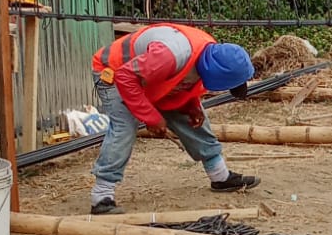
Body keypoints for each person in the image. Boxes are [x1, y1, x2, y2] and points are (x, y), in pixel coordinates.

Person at [88, 22, 260, 215]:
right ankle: (101, 196)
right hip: (114, 72)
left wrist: (191, 105)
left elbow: (182, 79)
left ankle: (220, 176)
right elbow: (126, 77)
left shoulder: (210, 54)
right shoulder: (169, 56)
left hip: (147, 76)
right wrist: (151, 117)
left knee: (195, 120)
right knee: (125, 127)